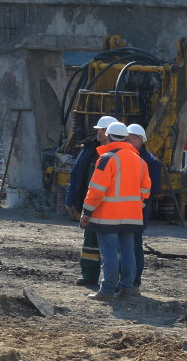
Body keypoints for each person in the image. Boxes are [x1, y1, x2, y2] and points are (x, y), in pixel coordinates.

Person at [80, 121, 151, 301]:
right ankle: (127, 288)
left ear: (109, 137)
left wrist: (86, 211)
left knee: (110, 253)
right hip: (132, 216)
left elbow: (96, 189)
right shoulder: (140, 160)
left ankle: (107, 290)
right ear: (125, 137)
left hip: (108, 216)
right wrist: (135, 206)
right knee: (128, 252)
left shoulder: (107, 159)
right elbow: (145, 190)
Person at [65, 115, 116, 288]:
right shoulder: (90, 149)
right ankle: (89, 275)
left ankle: (113, 281)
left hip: (111, 207)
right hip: (93, 204)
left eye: (101, 130)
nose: (98, 133)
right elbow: (76, 174)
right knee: (90, 243)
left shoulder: (119, 154)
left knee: (112, 246)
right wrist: (72, 200)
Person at [124, 123, 163, 297]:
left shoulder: (150, 161)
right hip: (124, 211)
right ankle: (125, 282)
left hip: (138, 212)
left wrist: (140, 203)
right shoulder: (126, 157)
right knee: (125, 247)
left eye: (131, 138)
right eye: (126, 138)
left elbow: (152, 188)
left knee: (134, 247)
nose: (127, 141)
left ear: (140, 140)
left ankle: (134, 283)